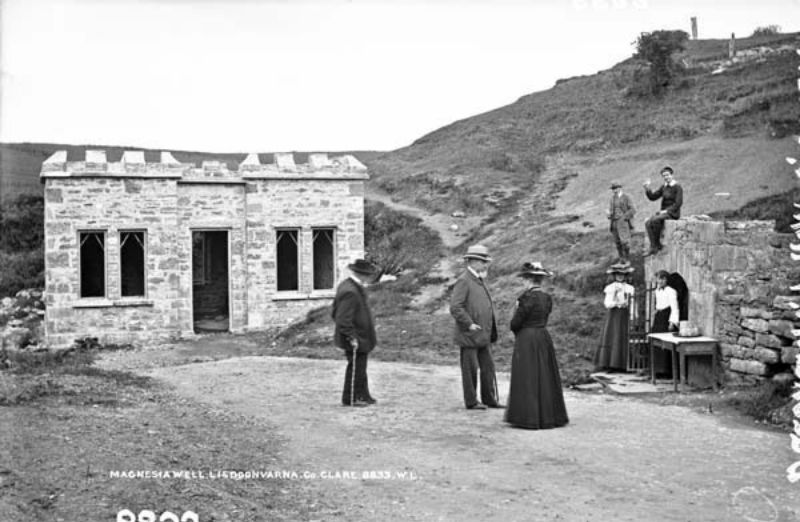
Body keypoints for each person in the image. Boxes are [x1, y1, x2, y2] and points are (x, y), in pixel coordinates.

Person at [505, 262, 569, 430]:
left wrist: (515, 324)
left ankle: (528, 416)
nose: (523, 283)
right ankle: (549, 415)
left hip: (527, 338)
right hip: (542, 336)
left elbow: (515, 323)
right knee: (544, 375)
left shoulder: (525, 298)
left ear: (529, 280)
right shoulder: (547, 298)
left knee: (527, 375)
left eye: (524, 279)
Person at [449, 244, 501, 410]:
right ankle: (471, 401)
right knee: (470, 370)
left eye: (486, 261)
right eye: (483, 261)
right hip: (470, 334)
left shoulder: (478, 279)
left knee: (488, 368)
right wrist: (469, 323)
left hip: (483, 334)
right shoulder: (464, 280)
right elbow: (456, 307)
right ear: (472, 261)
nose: (486, 265)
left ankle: (489, 399)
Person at [332, 259, 378, 407]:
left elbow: (336, 313)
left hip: (361, 336)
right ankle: (351, 397)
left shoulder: (351, 286)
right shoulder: (350, 291)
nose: (370, 278)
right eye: (368, 274)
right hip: (355, 337)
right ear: (363, 275)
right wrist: (351, 336)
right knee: (356, 367)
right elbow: (342, 318)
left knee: (360, 366)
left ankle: (363, 395)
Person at [593, 262, 636, 372]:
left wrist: (633, 315)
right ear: (614, 275)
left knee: (623, 337)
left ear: (626, 276)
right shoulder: (610, 288)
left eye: (622, 274)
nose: (620, 276)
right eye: (617, 274)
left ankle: (623, 364)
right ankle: (609, 364)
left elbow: (633, 303)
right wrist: (615, 302)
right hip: (613, 314)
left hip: (624, 314)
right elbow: (607, 303)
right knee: (612, 336)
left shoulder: (630, 288)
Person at [643, 166, 683, 256]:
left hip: (673, 213)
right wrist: (647, 188)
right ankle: (654, 246)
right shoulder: (664, 187)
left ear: (672, 175)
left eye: (667, 175)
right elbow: (653, 197)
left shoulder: (677, 187)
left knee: (655, 220)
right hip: (663, 213)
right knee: (648, 223)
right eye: (664, 176)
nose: (666, 177)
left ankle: (656, 245)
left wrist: (666, 211)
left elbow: (678, 203)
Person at [651, 269, 680, 376]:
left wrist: (672, 322)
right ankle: (657, 370)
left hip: (667, 317)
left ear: (666, 280)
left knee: (667, 344)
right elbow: (658, 304)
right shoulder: (657, 291)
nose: (661, 281)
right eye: (659, 278)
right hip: (659, 317)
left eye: (663, 279)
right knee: (657, 342)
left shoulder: (671, 291)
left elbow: (674, 308)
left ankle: (667, 371)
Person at [607, 182, 635, 263]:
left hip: (623, 223)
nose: (615, 190)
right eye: (613, 189)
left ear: (620, 188)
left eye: (616, 188)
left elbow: (633, 210)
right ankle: (621, 258)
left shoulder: (627, 197)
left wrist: (624, 217)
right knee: (617, 242)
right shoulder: (612, 199)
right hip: (614, 223)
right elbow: (611, 211)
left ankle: (627, 258)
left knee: (625, 241)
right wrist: (609, 215)